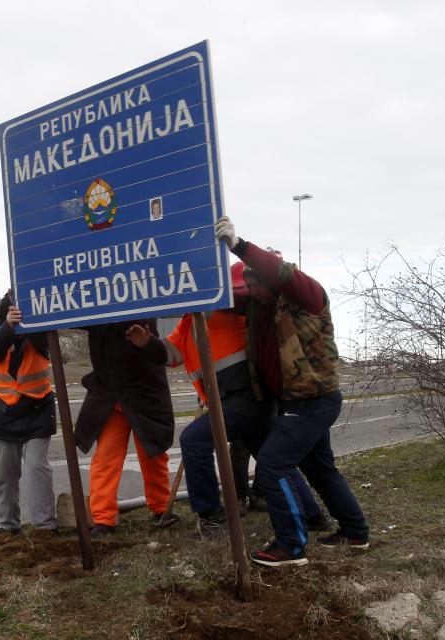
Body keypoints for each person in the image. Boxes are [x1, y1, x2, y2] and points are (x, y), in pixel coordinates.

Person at [126, 263, 331, 536]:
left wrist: (214, 288)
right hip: (236, 400)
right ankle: (313, 515)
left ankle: (211, 514)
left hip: (246, 397)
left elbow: (245, 300)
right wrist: (147, 344)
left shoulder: (227, 308)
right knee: (274, 459)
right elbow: (172, 354)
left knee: (194, 440)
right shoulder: (190, 321)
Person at [215, 216, 370, 567]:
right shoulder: (259, 304)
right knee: (320, 469)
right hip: (295, 402)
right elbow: (225, 298)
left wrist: (239, 246)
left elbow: (282, 273)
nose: (251, 291)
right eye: (249, 286)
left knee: (271, 465)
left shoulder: (306, 293)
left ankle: (291, 545)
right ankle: (355, 531)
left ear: (271, 279)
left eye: (256, 284)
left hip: (313, 400)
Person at [74, 320, 180, 536]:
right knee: (105, 458)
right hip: (111, 397)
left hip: (144, 397)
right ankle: (103, 519)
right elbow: (71, 315)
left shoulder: (137, 307)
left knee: (153, 454)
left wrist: (146, 342)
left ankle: (161, 508)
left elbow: (159, 353)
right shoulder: (96, 312)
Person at [0, 292, 57, 534]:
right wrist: (9, 328)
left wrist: (28, 322)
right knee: (5, 472)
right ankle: (8, 525)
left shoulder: (40, 334)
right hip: (5, 412)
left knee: (36, 467)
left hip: (38, 408)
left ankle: (45, 525)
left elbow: (44, 345)